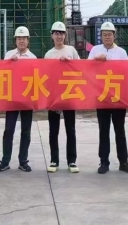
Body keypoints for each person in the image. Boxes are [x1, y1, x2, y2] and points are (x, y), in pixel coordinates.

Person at [89, 22, 128, 174]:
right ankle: (104, 162)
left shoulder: (121, 52)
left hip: (117, 98)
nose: (107, 37)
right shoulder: (95, 50)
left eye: (109, 34)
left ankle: (124, 162)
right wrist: (95, 60)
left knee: (120, 131)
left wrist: (127, 97)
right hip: (102, 97)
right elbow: (86, 69)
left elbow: (127, 74)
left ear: (114, 36)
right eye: (104, 34)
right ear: (101, 36)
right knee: (104, 131)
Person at [0, 26, 37, 172]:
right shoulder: (9, 55)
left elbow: (36, 79)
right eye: (19, 38)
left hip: (27, 99)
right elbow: (1, 73)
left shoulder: (33, 58)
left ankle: (23, 161)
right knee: (9, 130)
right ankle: (5, 161)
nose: (21, 41)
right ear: (15, 40)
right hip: (12, 98)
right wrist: (9, 62)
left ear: (28, 40)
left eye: (24, 38)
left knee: (26, 131)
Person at [44, 21, 79, 173]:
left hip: (69, 94)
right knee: (53, 130)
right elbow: (45, 75)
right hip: (54, 96)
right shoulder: (49, 54)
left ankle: (72, 161)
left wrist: (69, 63)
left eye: (61, 33)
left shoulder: (71, 50)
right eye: (56, 33)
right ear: (52, 36)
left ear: (65, 35)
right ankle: (54, 160)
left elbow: (80, 69)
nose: (59, 36)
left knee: (70, 129)